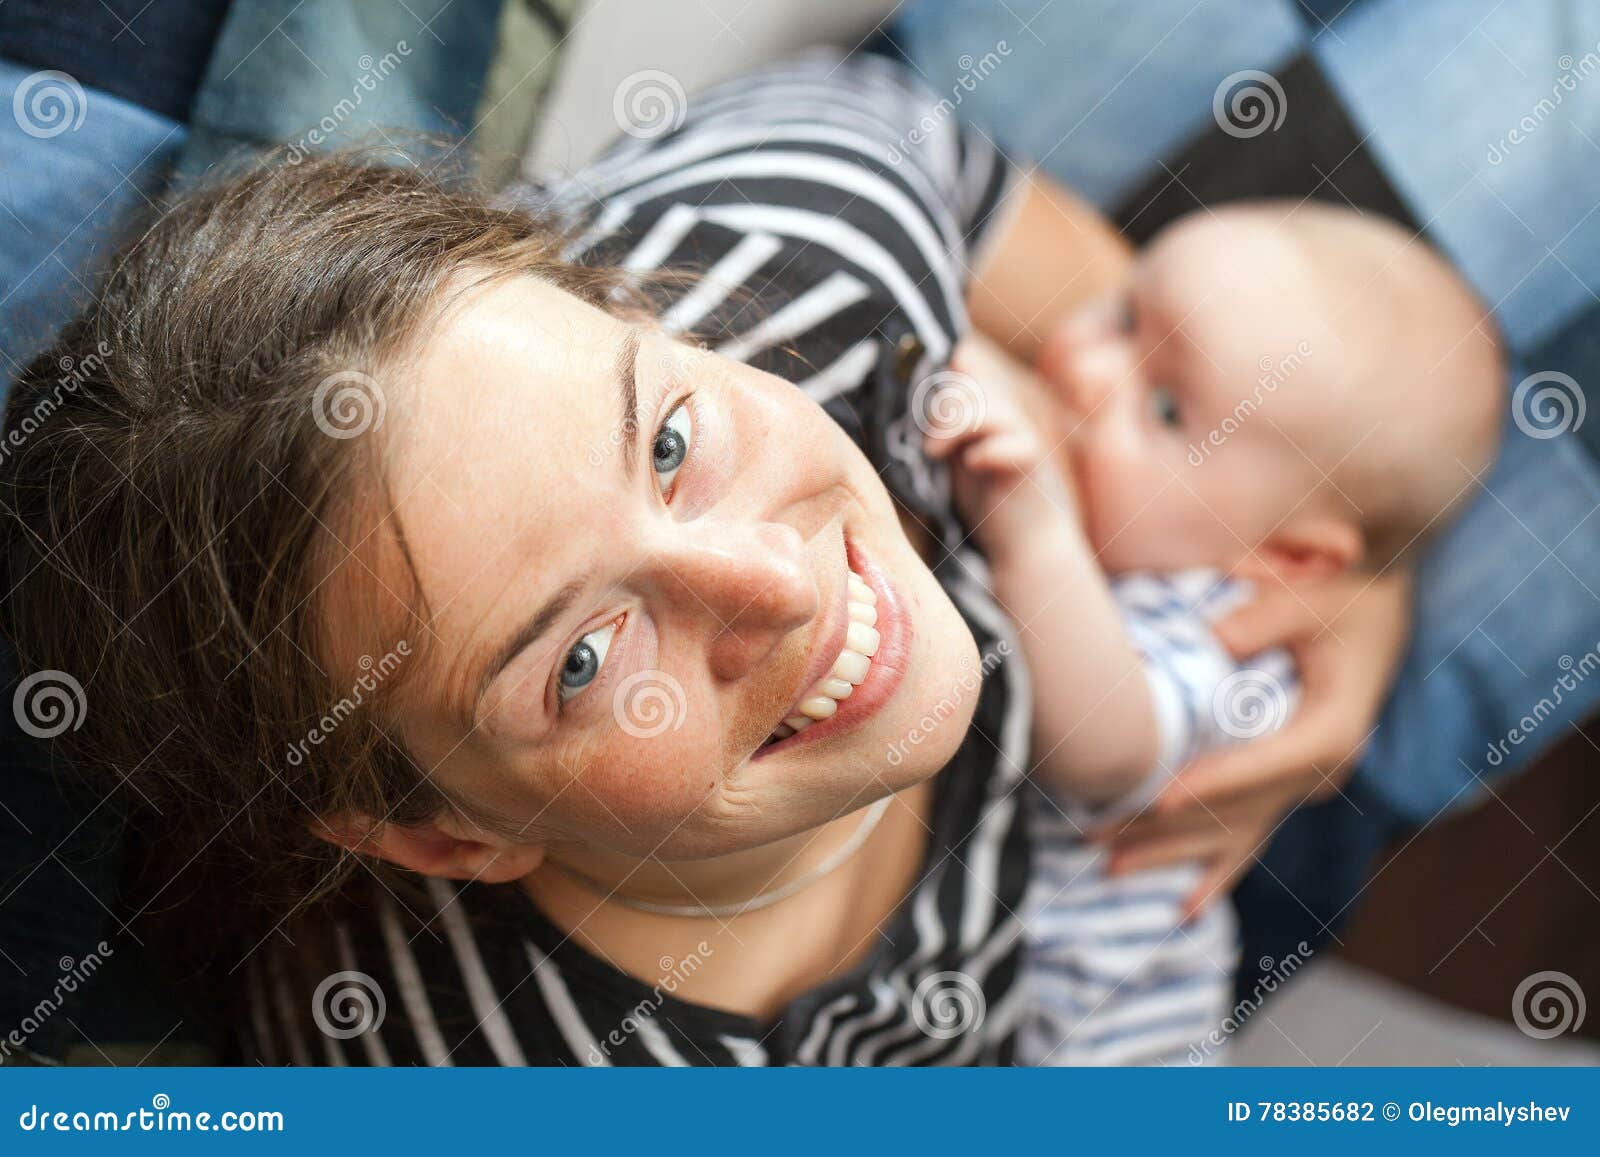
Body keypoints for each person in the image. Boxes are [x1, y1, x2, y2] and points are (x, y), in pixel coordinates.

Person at [0, 51, 1155, 1065]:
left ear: (637, 312)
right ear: (446, 835)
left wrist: (1309, 544)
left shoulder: (814, 255)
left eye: (666, 441)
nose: (780, 583)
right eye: (584, 660)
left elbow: (1182, 343)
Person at [931, 202, 1502, 1063]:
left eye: (1163, 407)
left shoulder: (1235, 643)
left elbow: (1100, 751)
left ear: (1287, 555)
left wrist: (1034, 534)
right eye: (1123, 314)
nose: (1085, 365)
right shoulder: (1131, 535)